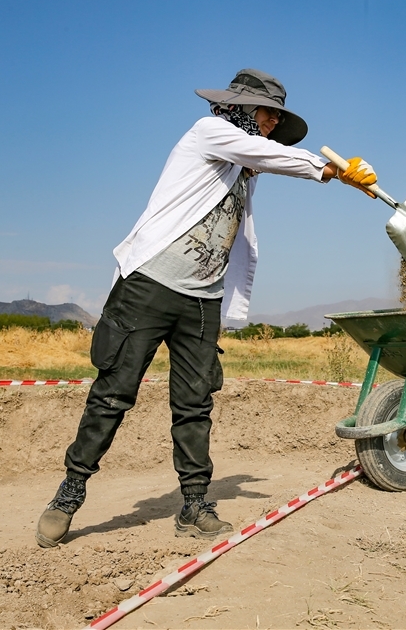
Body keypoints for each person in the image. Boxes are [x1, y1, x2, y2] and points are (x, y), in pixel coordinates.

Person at [36, 69, 377, 547]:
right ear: (240, 107)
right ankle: (68, 494)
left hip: (203, 298)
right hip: (149, 285)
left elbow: (260, 162)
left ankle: (195, 505)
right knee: (114, 393)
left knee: (195, 405)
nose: (274, 123)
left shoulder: (244, 166)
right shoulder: (210, 132)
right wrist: (330, 171)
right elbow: (266, 153)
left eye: (278, 116)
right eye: (268, 113)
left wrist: (329, 174)